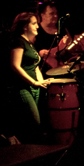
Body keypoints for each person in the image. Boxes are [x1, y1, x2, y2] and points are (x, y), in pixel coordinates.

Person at [8, 12, 51, 143]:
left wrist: (41, 81)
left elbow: (35, 66)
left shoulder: (30, 44)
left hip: (33, 87)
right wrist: (33, 82)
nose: (37, 26)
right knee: (34, 122)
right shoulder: (19, 42)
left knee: (32, 124)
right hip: (23, 88)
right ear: (25, 26)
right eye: (34, 23)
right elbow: (15, 66)